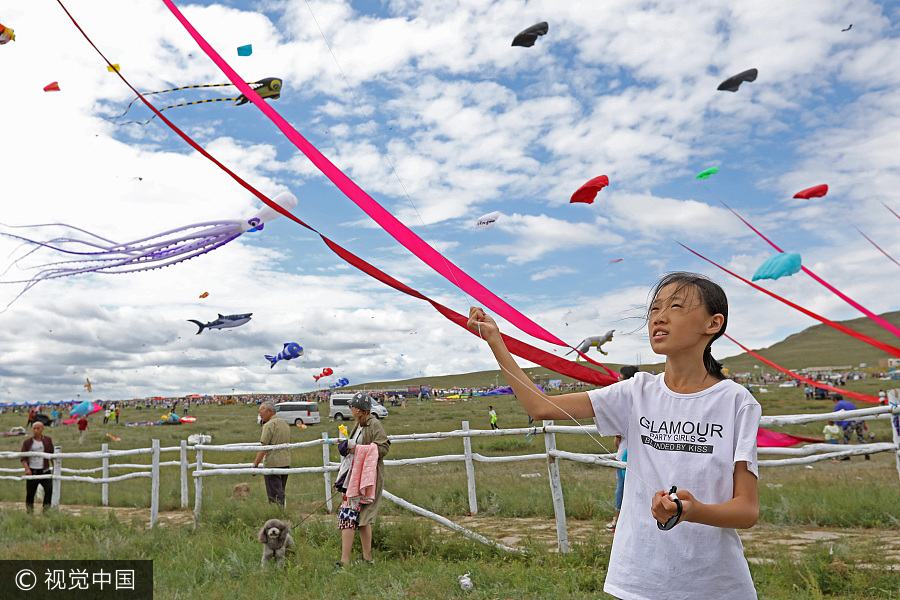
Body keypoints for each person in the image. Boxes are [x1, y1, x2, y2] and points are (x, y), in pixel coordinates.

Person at [468, 272, 760, 599]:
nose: (659, 317)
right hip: (639, 580)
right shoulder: (636, 392)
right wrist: (496, 341)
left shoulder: (736, 402)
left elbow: (747, 510)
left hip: (714, 586)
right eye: (654, 309)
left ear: (713, 323)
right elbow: (540, 407)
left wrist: (692, 511)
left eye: (676, 306)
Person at [336, 392, 390, 570]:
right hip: (355, 476)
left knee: (355, 516)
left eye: (352, 406)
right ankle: (367, 559)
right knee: (358, 518)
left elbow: (383, 447)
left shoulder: (374, 424)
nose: (350, 409)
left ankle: (346, 561)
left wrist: (357, 449)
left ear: (359, 409)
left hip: (368, 477)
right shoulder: (358, 424)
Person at [253, 401, 291, 505]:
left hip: (273, 463)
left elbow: (264, 447)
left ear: (269, 411)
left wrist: (255, 464)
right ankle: (281, 513)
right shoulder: (285, 423)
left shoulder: (269, 425)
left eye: (261, 411)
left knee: (274, 495)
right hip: (285, 462)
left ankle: (277, 516)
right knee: (281, 491)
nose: (260, 414)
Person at [21, 422, 55, 513]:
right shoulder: (27, 442)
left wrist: (54, 466)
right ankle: (30, 512)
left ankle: (46, 511)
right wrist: (27, 469)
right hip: (33, 470)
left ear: (42, 429)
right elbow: (23, 457)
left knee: (49, 490)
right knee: (30, 494)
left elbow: (51, 454)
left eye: (38, 428)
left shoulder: (48, 440)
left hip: (45, 470)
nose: (35, 431)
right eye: (34, 429)